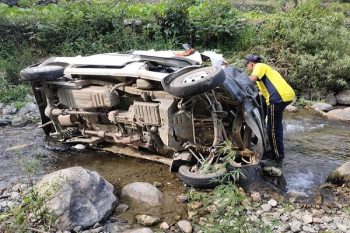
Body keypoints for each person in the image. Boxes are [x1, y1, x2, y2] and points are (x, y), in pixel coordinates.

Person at [244, 54, 295, 169]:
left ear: (251, 63)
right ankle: (269, 148)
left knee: (272, 128)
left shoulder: (259, 66)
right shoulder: (266, 70)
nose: (246, 66)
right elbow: (262, 92)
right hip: (284, 96)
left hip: (277, 98)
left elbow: (251, 79)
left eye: (246, 64)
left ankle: (277, 158)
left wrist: (238, 79)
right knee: (273, 125)